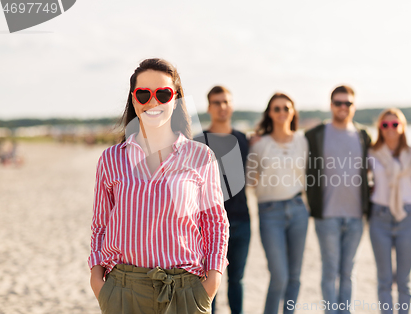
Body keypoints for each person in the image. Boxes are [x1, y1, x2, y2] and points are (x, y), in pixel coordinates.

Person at [88, 58, 229, 314]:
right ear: (134, 100)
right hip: (123, 291)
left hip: (186, 290)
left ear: (175, 100)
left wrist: (213, 279)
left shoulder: (200, 157)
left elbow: (215, 223)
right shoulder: (111, 159)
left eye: (163, 94)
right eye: (144, 94)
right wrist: (98, 280)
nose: (153, 102)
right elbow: (100, 224)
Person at [305, 85, 371, 313]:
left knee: (348, 271)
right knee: (330, 270)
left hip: (356, 216)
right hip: (326, 216)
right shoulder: (315, 134)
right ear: (331, 105)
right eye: (338, 103)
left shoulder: (364, 136)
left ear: (354, 107)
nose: (343, 107)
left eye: (348, 103)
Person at [246, 93, 309, 314]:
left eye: (286, 108)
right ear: (270, 113)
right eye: (277, 108)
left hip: (299, 211)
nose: (282, 112)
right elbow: (249, 180)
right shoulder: (260, 144)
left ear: (292, 112)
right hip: (270, 212)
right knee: (279, 276)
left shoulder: (303, 141)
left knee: (295, 277)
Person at [195, 86, 251, 314]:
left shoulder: (243, 140)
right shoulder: (198, 142)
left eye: (226, 102)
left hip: (241, 221)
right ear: (209, 108)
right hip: (208, 226)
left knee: (237, 281)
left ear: (232, 105)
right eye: (217, 102)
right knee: (209, 281)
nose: (222, 107)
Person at [368, 108, 411, 314]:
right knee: (384, 279)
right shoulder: (371, 154)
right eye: (385, 124)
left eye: (395, 124)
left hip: (406, 217)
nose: (390, 128)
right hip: (380, 218)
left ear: (402, 127)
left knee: (405, 281)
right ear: (379, 128)